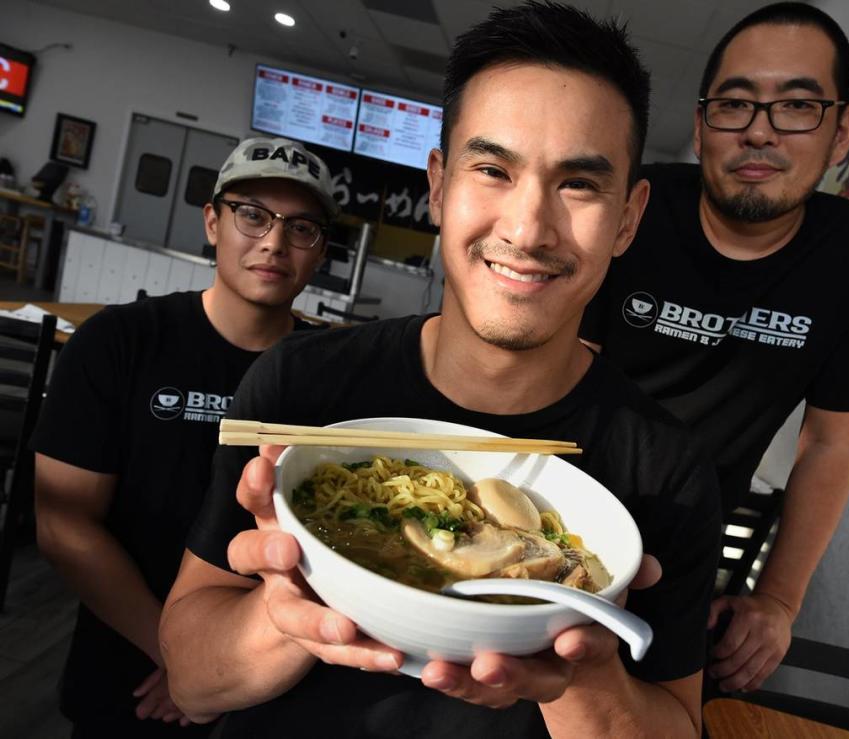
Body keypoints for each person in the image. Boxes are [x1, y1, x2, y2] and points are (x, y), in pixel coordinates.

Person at [159, 3, 722, 737]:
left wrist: (582, 676)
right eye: (492, 169)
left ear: (628, 217)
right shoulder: (302, 389)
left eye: (578, 184)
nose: (526, 229)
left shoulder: (667, 475)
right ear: (440, 185)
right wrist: (284, 613)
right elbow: (192, 682)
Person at [580, 2, 849, 694]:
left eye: (797, 106)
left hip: (686, 555)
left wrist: (779, 599)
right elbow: (554, 366)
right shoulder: (632, 204)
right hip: (561, 502)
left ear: (843, 130)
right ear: (702, 125)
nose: (759, 132)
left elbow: (831, 442)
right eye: (734, 104)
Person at [32, 136, 338, 737]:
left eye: (301, 228)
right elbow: (63, 524)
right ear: (212, 221)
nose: (274, 242)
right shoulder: (119, 342)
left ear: (320, 251)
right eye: (252, 214)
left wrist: (232, 668)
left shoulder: (331, 373)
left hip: (278, 673)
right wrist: (182, 658)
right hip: (133, 658)